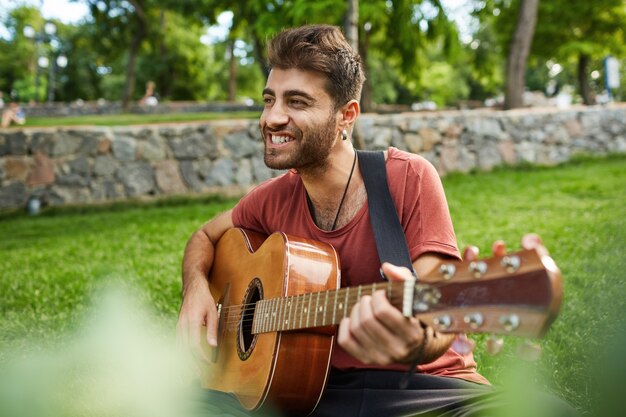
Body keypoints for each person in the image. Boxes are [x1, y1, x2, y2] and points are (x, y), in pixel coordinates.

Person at [177, 25, 573, 417]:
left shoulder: (408, 177)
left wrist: (416, 339)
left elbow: (434, 326)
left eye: (297, 102)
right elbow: (204, 237)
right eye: (269, 100)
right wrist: (196, 289)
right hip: (313, 394)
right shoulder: (272, 197)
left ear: (346, 115)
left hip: (425, 389)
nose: (273, 118)